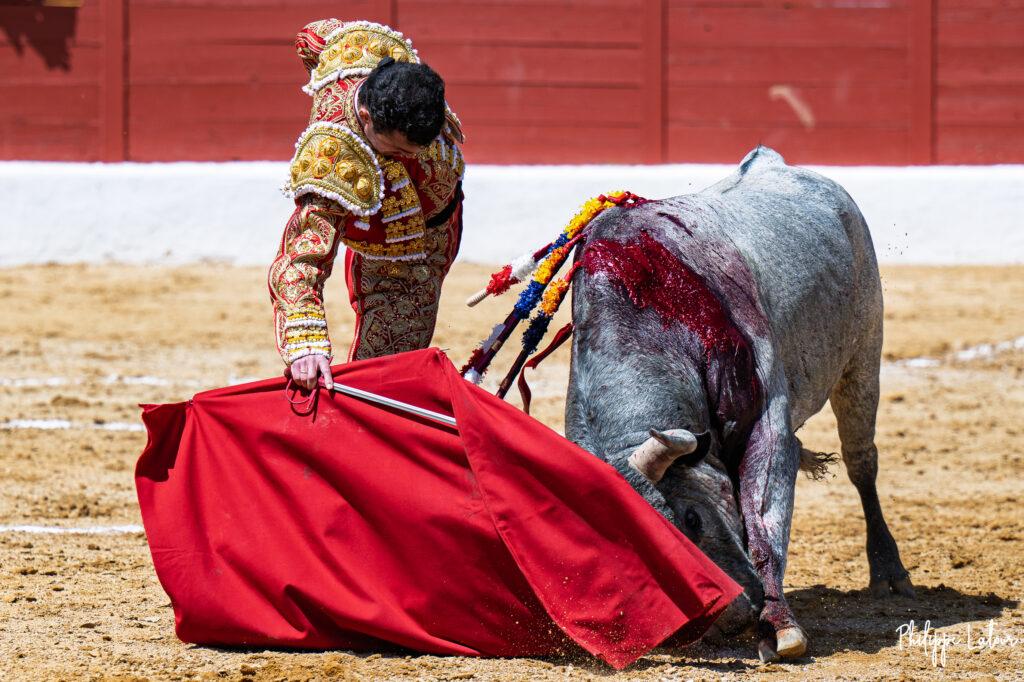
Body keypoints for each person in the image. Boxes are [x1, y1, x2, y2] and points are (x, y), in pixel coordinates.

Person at [269, 20, 465, 391]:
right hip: (393, 248)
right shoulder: (332, 155)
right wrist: (305, 341)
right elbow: (301, 258)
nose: (413, 156)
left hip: (443, 221)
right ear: (365, 117)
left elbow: (315, 35)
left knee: (392, 366)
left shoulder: (370, 51)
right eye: (398, 150)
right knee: (383, 377)